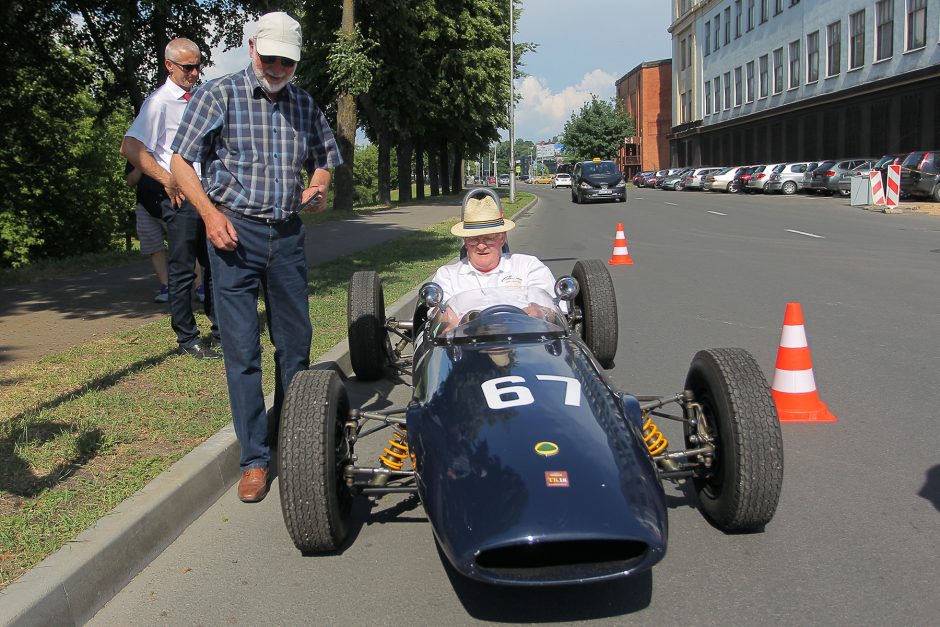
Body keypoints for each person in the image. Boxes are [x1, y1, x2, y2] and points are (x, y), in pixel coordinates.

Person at [170, 12, 342, 503]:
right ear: (251, 49)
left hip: (286, 236)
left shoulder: (305, 104)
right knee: (242, 353)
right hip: (232, 234)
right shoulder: (218, 94)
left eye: (286, 61)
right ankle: (254, 459)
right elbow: (181, 160)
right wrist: (208, 215)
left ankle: (294, 440)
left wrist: (317, 187)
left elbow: (325, 158)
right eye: (269, 58)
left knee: (296, 347)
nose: (277, 68)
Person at [122, 38, 220, 359]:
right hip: (181, 199)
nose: (195, 72)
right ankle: (188, 338)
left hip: (209, 193)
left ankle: (220, 330)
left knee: (215, 264)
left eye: (198, 65)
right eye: (188, 67)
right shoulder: (159, 102)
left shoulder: (200, 96)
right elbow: (131, 147)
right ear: (169, 66)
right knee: (181, 268)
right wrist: (168, 179)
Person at [431, 194, 559, 300]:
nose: (481, 246)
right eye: (473, 239)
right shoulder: (447, 276)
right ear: (465, 241)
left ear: (501, 238)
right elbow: (442, 320)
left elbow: (546, 310)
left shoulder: (528, 267)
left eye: (489, 238)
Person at [125, 161, 170, 302]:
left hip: (173, 202)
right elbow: (130, 181)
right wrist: (142, 162)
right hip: (145, 205)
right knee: (154, 248)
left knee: (187, 246)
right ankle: (166, 286)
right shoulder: (137, 148)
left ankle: (200, 286)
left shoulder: (170, 145)